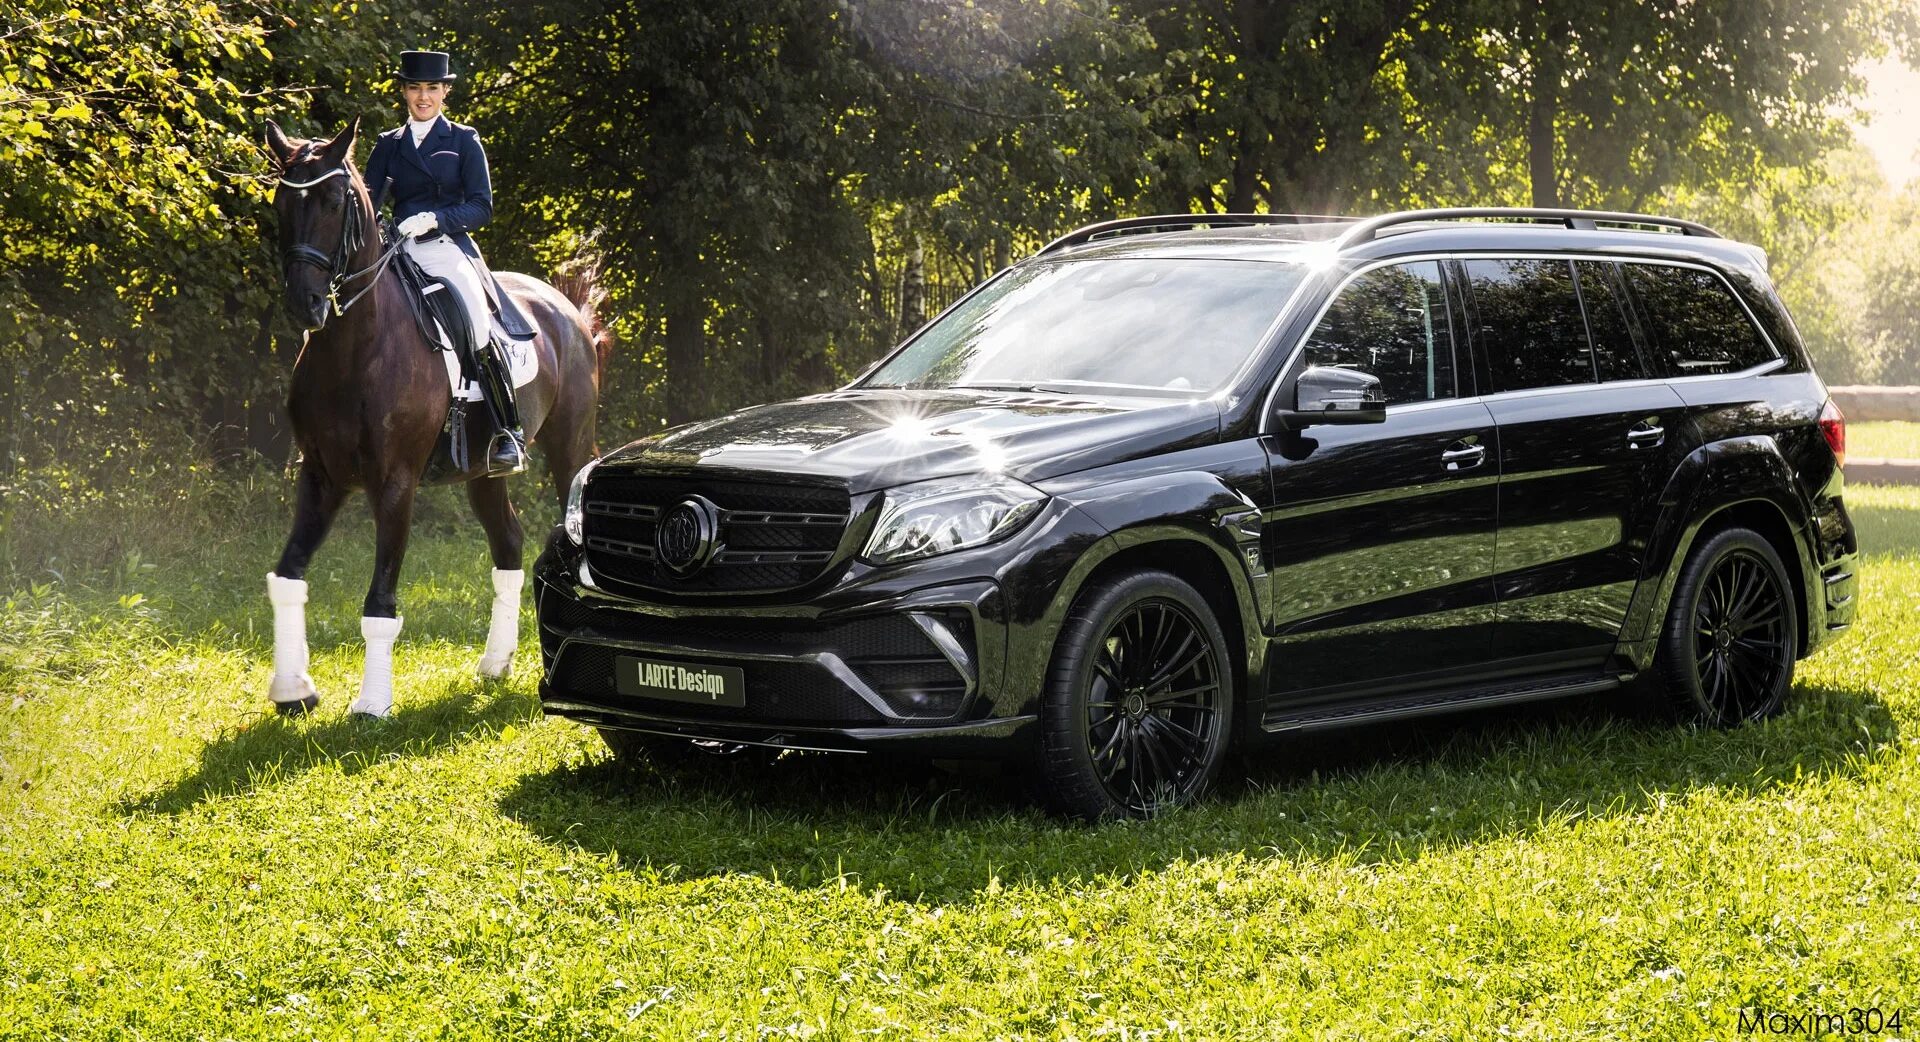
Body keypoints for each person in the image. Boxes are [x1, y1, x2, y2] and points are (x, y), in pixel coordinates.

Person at [363, 49, 536, 476]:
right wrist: (386, 227)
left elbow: (482, 207)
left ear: (445, 92)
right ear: (404, 91)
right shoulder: (388, 145)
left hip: (447, 246)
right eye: (416, 88)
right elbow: (367, 205)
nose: (424, 97)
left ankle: (506, 431)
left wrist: (436, 218)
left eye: (432, 88)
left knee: (476, 320)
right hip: (398, 249)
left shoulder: (462, 140)